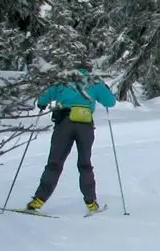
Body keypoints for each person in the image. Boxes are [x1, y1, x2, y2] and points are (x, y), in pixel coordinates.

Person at [26, 64, 118, 213]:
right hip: (85, 125)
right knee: (85, 164)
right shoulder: (94, 81)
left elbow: (44, 98)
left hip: (64, 123)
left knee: (54, 163)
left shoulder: (63, 80)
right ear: (88, 69)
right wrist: (105, 89)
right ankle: (91, 203)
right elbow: (110, 102)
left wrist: (43, 103)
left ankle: (38, 200)